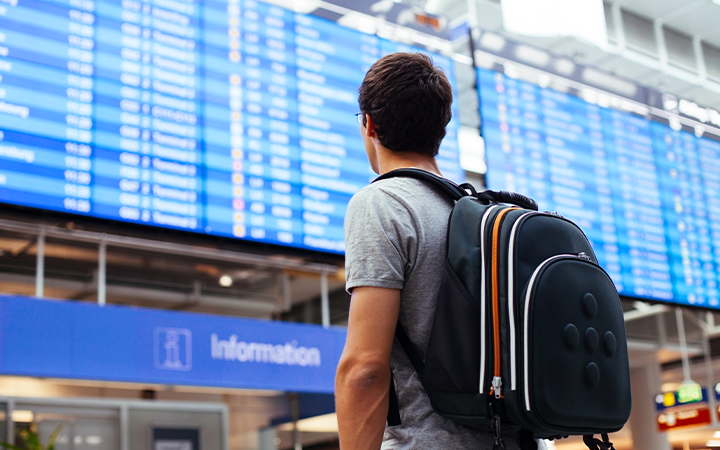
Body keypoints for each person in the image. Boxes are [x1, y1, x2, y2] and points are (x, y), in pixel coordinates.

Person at [335, 52, 544, 450]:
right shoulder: (481, 214)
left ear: (369, 124)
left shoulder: (382, 203)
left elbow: (363, 367)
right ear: (441, 130)